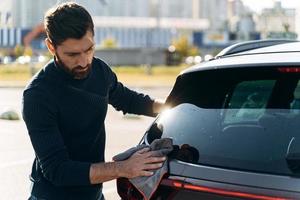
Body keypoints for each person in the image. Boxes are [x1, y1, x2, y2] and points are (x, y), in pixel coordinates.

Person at [22, 2, 166, 200]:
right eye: (72, 54)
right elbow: (58, 170)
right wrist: (123, 168)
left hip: (94, 195)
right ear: (50, 46)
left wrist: (177, 105)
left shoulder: (99, 70)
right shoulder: (38, 95)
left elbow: (130, 100)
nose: (83, 61)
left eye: (89, 49)